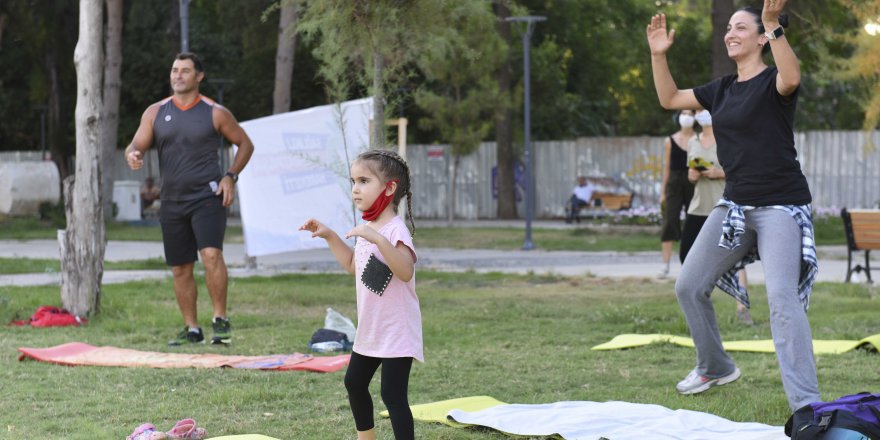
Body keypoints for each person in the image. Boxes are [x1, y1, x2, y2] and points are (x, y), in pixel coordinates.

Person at [646, 0, 821, 412]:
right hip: (735, 207)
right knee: (688, 285)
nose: (730, 33)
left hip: (780, 206)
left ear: (762, 37)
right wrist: (657, 55)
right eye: (728, 27)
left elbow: (792, 75)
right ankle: (715, 365)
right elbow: (670, 98)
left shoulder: (775, 83)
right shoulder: (721, 90)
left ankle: (807, 406)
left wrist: (774, 23)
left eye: (741, 27)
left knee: (781, 298)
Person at [125, 52, 255, 346]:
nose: (178, 75)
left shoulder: (214, 112)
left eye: (185, 71)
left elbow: (245, 144)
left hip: (207, 197)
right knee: (181, 267)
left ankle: (220, 320)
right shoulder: (155, 112)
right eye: (174, 70)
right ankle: (192, 328)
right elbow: (136, 145)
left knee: (211, 255)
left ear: (199, 76)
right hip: (172, 201)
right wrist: (133, 154)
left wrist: (230, 176)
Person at [299, 149, 421, 440]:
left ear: (389, 188)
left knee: (392, 395)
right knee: (354, 382)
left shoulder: (394, 230)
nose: (355, 188)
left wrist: (379, 239)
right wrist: (330, 235)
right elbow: (355, 266)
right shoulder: (370, 227)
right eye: (353, 181)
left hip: (397, 330)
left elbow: (405, 271)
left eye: (364, 181)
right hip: (372, 328)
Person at [680, 110, 753, 326]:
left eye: (704, 110)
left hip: (723, 206)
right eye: (697, 110)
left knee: (736, 260)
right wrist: (692, 175)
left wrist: (718, 173)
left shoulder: (726, 139)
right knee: (687, 257)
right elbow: (690, 175)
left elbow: (743, 171)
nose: (700, 114)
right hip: (698, 207)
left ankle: (742, 308)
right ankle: (700, 304)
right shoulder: (693, 141)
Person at [658, 109, 696, 278]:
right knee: (670, 221)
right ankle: (665, 266)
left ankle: (690, 266)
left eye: (690, 114)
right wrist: (663, 192)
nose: (686, 117)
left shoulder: (698, 139)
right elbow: (666, 167)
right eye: (684, 113)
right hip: (674, 183)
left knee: (693, 223)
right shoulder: (670, 140)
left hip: (693, 183)